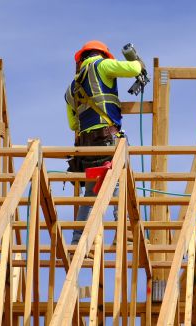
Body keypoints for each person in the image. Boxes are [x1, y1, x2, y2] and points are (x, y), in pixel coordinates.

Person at [64, 40, 144, 245]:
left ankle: (77, 240)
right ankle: (123, 233)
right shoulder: (102, 65)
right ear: (102, 54)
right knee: (118, 182)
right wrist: (137, 61)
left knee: (90, 192)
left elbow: (73, 124)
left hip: (86, 149)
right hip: (107, 139)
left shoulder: (71, 89)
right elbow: (135, 68)